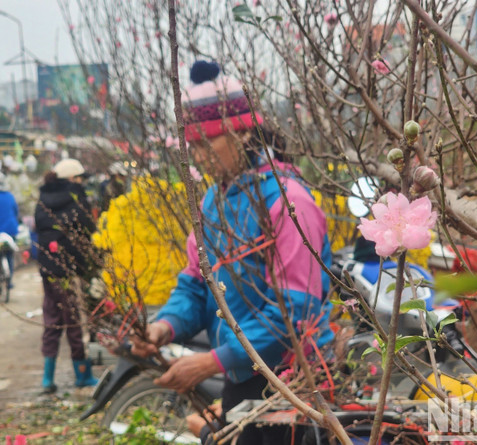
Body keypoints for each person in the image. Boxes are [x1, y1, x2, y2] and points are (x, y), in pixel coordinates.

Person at [131, 61, 333, 444]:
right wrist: (164, 326)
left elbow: (295, 309)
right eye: (192, 146)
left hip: (292, 381)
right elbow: (195, 283)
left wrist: (212, 362)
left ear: (240, 133)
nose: (199, 156)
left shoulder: (289, 203)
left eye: (207, 143)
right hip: (242, 376)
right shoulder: (213, 203)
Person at [35, 159, 99, 392]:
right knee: (75, 321)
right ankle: (83, 375)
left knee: (51, 320)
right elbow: (89, 231)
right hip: (71, 269)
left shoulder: (42, 200)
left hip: (48, 269)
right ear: (73, 179)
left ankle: (47, 379)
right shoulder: (76, 200)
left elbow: (39, 229)